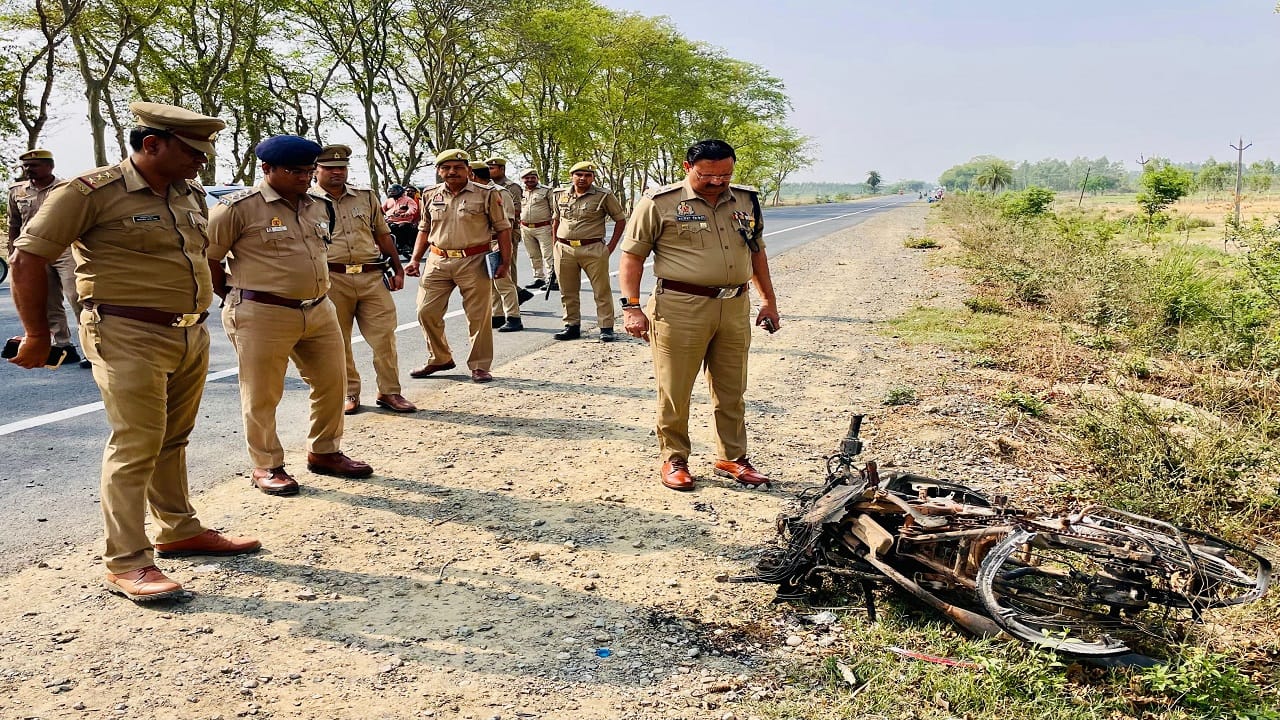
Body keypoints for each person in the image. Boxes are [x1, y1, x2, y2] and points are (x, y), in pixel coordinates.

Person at [7, 102, 260, 602]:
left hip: (188, 330)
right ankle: (126, 560)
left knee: (174, 438)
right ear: (152, 145)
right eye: (194, 152)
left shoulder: (188, 192)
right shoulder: (90, 192)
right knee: (137, 442)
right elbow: (28, 257)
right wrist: (37, 335)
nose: (202, 163)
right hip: (125, 331)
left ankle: (179, 529)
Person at [207, 135, 373, 497]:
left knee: (333, 383)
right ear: (266, 169)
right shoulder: (235, 209)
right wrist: (238, 298)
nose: (304, 177)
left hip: (317, 307)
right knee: (262, 393)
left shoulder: (317, 205)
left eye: (309, 170)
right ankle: (267, 464)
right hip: (262, 312)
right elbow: (210, 261)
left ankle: (325, 451)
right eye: (294, 171)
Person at [619, 139, 780, 492]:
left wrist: (768, 300)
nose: (718, 182)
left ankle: (732, 457)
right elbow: (631, 257)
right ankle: (674, 458)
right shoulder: (658, 203)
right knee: (675, 388)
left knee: (731, 387)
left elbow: (756, 253)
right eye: (708, 175)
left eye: (725, 174)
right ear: (686, 166)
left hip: (734, 306)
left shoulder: (746, 200)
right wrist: (631, 307)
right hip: (680, 307)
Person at [308, 144, 416, 416]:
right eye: (329, 168)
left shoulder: (365, 197)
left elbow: (382, 234)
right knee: (337, 341)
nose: (337, 173)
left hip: (371, 276)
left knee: (384, 337)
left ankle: (390, 391)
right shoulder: (305, 201)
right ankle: (349, 392)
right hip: (331, 279)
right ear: (315, 171)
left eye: (341, 168)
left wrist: (397, 266)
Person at [405, 149, 511, 383]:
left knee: (478, 316)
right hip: (437, 260)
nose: (452, 172)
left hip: (474, 260)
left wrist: (505, 262)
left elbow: (503, 228)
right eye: (446, 168)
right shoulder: (429, 194)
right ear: (439, 171)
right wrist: (414, 259)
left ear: (468, 170)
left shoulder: (486, 193)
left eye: (458, 167)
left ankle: (479, 366)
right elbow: (424, 229)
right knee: (425, 311)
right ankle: (439, 358)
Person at [7, 149, 85, 367]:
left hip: (64, 250)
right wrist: (14, 251)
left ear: (50, 166)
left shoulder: (66, 189)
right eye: (26, 167)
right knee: (49, 301)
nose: (28, 170)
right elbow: (13, 224)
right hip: (33, 253)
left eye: (34, 166)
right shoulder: (17, 192)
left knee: (77, 295)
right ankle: (63, 346)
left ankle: (92, 348)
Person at [550, 161, 626, 341]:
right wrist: (555, 245)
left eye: (588, 175)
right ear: (572, 176)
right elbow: (556, 221)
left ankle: (606, 327)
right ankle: (572, 326)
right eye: (579, 175)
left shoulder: (603, 195)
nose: (583, 178)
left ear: (593, 178)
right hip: (564, 248)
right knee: (567, 291)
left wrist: (611, 246)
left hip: (593, 248)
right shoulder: (559, 195)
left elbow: (620, 220)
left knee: (601, 290)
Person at [518, 168, 555, 290]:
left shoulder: (547, 191)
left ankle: (552, 280)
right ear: (523, 180)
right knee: (533, 255)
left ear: (537, 178)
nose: (529, 180)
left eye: (532, 177)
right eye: (526, 178)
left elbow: (555, 210)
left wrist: (555, 228)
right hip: (525, 228)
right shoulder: (520, 191)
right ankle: (538, 278)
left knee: (548, 255)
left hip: (543, 227)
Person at [382, 183, 419, 259]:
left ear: (400, 191)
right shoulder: (389, 200)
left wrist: (407, 213)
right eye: (391, 191)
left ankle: (404, 245)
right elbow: (381, 210)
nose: (392, 192)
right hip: (390, 221)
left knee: (401, 227)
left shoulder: (408, 200)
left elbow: (413, 208)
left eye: (394, 191)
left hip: (404, 221)